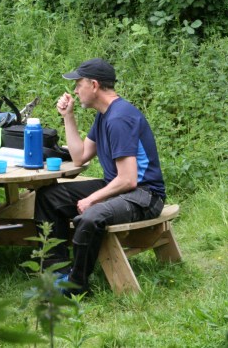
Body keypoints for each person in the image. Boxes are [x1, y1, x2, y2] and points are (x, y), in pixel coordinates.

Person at [34, 58, 166, 296]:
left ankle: (76, 284)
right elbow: (80, 157)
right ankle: (57, 273)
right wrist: (68, 116)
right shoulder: (104, 115)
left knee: (91, 216)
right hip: (120, 188)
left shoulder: (119, 118)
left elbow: (129, 179)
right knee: (49, 196)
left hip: (144, 195)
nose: (75, 91)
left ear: (94, 85)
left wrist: (92, 199)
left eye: (78, 84)